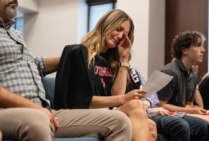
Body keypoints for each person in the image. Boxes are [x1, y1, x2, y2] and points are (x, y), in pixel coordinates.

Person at [0, 0, 132, 141]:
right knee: (38, 122)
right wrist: (36, 108)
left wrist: (74, 56)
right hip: (13, 110)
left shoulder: (15, 34)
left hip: (44, 110)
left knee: (120, 121)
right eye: (118, 29)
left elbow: (35, 64)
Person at [54, 9, 156, 141]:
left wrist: (124, 60)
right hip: (78, 112)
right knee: (136, 106)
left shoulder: (112, 62)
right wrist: (123, 98)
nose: (120, 36)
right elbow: (81, 101)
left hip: (104, 111)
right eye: (118, 29)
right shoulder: (79, 53)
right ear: (106, 25)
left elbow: (116, 97)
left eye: (125, 35)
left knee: (151, 125)